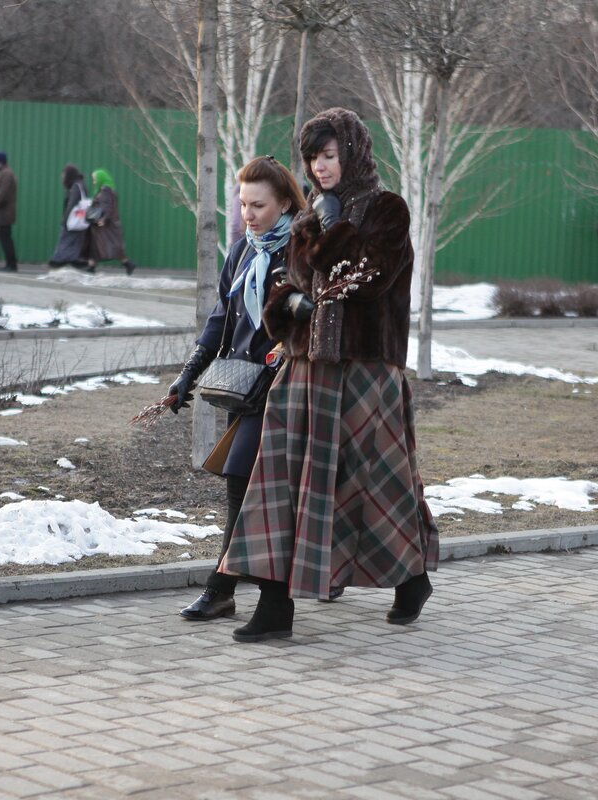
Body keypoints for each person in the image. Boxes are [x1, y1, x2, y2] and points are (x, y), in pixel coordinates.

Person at [216, 108, 439, 644]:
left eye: (330, 155)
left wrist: (330, 228)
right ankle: (275, 606)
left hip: (366, 372)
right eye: (313, 157)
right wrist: (290, 304)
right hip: (304, 369)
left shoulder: (387, 211)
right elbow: (286, 286)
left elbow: (365, 278)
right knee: (280, 483)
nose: (320, 167)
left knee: (376, 487)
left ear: (353, 154)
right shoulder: (309, 218)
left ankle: (412, 577)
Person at [167, 156, 307, 622]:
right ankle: (250, 589)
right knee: (252, 489)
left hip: (284, 389)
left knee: (242, 484)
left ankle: (221, 589)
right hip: (242, 389)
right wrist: (188, 374)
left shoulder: (302, 253)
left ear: (284, 203)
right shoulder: (243, 251)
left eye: (258, 205)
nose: (248, 214)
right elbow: (221, 319)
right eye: (243, 204)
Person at [84, 169, 136, 276]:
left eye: (95, 179)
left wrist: (104, 219)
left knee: (111, 246)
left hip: (106, 225)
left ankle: (127, 264)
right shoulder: (105, 190)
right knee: (96, 245)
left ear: (101, 178)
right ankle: (91, 267)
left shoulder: (105, 190)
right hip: (103, 224)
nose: (94, 182)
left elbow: (108, 207)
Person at [50, 164, 90, 269]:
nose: (62, 177)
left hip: (72, 220)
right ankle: (74, 260)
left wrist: (65, 219)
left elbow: (71, 204)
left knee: (65, 239)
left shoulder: (76, 186)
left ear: (69, 175)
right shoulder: (81, 184)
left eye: (64, 175)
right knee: (74, 241)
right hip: (80, 219)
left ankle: (57, 260)